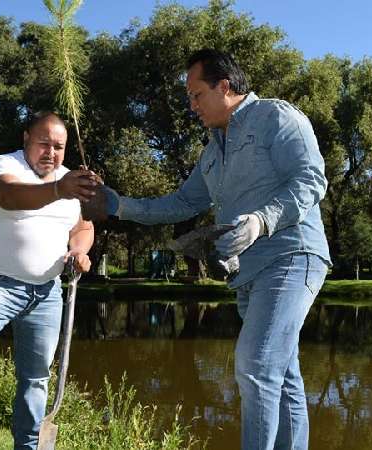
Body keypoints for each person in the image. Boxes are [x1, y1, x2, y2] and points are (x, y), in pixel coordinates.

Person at [100, 49, 331, 450]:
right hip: (247, 273)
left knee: (256, 366)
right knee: (282, 374)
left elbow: (311, 179)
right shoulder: (212, 151)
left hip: (292, 257)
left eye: (196, 95)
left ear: (225, 87)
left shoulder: (276, 117)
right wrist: (118, 205)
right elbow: (181, 203)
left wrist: (261, 220)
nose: (192, 106)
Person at [0, 111, 99, 449]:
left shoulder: (69, 180)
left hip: (47, 294)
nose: (51, 153)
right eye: (43, 144)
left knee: (36, 378)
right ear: (26, 138)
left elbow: (83, 226)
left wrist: (78, 251)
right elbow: (9, 196)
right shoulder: (2, 167)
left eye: (59, 146)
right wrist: (59, 189)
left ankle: (29, 444)